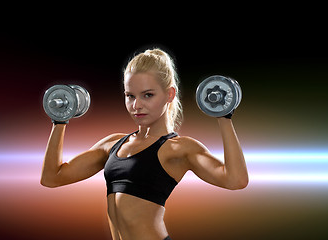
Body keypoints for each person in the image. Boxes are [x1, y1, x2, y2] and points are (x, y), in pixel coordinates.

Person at [41, 48, 249, 240]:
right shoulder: (113, 144)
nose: (136, 105)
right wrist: (60, 120)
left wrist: (224, 117)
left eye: (148, 95)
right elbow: (52, 177)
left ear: (170, 94)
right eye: (130, 96)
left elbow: (235, 180)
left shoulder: (178, 148)